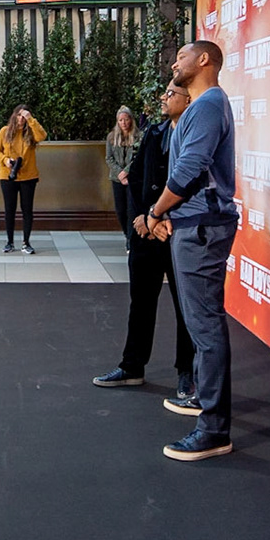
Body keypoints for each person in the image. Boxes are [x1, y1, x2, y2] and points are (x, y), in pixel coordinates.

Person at [144, 40, 239, 462]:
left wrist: (155, 211)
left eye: (181, 56)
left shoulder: (208, 105)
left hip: (203, 227)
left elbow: (188, 170)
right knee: (201, 325)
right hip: (192, 223)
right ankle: (204, 403)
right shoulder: (199, 108)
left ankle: (214, 429)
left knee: (205, 327)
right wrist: (167, 215)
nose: (174, 63)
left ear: (204, 61)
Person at [95, 82, 196, 397]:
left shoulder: (194, 135)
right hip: (147, 232)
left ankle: (186, 373)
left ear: (188, 99)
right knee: (140, 303)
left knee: (185, 307)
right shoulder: (154, 133)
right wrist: (142, 218)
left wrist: (159, 218)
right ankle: (132, 367)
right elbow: (136, 178)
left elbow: (190, 182)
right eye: (164, 93)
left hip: (177, 231)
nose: (164, 99)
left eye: (170, 94)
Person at [0, 105, 47, 254]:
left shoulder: (31, 132)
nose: (21, 119)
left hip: (28, 176)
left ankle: (26, 242)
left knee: (27, 209)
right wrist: (5, 160)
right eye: (19, 115)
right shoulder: (4, 131)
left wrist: (31, 119)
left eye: (24, 116)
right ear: (13, 116)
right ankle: (9, 242)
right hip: (7, 175)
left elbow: (42, 136)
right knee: (9, 209)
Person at [106, 106, 141, 248]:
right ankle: (127, 234)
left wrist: (126, 171)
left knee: (131, 209)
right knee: (120, 210)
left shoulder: (140, 136)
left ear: (131, 120)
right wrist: (120, 173)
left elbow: (138, 158)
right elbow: (109, 158)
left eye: (126, 119)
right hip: (116, 178)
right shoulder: (111, 137)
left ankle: (131, 239)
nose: (124, 123)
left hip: (132, 178)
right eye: (121, 120)